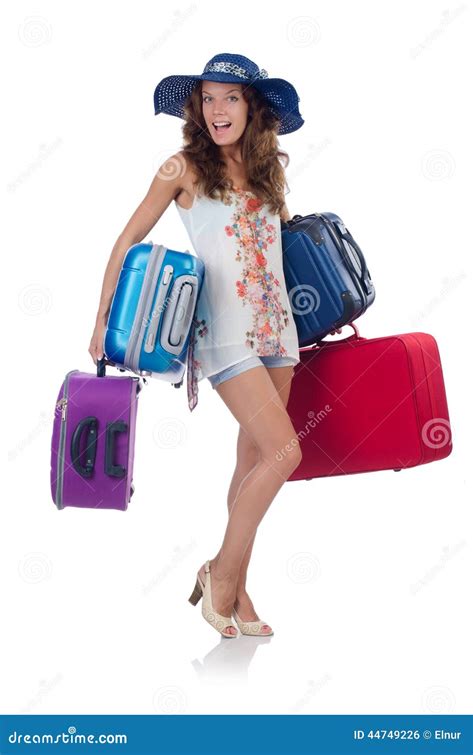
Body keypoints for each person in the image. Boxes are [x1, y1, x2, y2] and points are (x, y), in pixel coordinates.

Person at [89, 52, 306, 639]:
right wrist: (103, 318)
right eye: (208, 98)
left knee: (256, 460)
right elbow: (127, 238)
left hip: (279, 330)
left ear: (252, 106)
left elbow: (285, 248)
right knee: (287, 453)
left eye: (230, 98)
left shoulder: (269, 171)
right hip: (224, 334)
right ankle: (220, 574)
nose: (217, 110)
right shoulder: (180, 168)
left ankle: (238, 590)